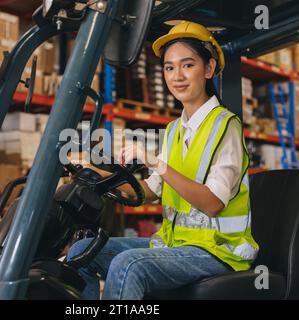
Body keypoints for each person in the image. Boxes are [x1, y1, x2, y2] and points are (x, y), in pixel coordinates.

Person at [67, 20, 259, 300]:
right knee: (81, 252)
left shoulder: (226, 127)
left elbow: (213, 204)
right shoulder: (174, 130)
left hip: (219, 250)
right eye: (169, 67)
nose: (177, 76)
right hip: (175, 243)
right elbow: (148, 192)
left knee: (127, 264)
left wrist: (156, 162)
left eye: (187, 65)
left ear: (208, 68)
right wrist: (94, 173)